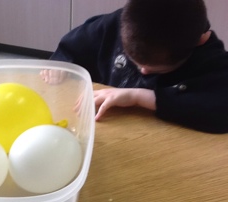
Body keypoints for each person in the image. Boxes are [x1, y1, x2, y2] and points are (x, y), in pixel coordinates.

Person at [40, 0, 228, 133]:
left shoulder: (210, 57)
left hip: (162, 144)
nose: (143, 72)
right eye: (135, 62)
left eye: (157, 70)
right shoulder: (126, 22)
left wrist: (140, 96)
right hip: (106, 127)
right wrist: (62, 62)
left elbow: (220, 111)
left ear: (201, 41)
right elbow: (77, 44)